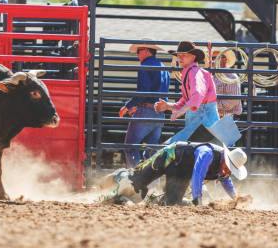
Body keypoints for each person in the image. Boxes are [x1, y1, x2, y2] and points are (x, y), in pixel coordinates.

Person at [102, 141, 248, 206]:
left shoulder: (222, 168)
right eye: (229, 168)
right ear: (226, 160)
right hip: (169, 156)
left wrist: (235, 198)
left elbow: (225, 180)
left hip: (181, 171)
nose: (228, 172)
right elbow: (198, 174)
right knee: (136, 182)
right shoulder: (207, 153)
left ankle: (150, 199)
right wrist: (198, 200)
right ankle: (118, 176)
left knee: (171, 202)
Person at [155, 41, 219, 144]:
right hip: (204, 123)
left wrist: (181, 111)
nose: (180, 58)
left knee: (169, 148)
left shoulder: (194, 72)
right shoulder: (190, 72)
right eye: (178, 55)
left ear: (193, 57)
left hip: (203, 122)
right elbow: (187, 101)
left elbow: (197, 95)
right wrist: (169, 106)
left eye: (184, 55)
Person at [119, 39, 170, 167]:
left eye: (139, 51)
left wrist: (128, 105)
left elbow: (144, 91)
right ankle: (152, 183)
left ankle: (135, 179)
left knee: (130, 147)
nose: (137, 55)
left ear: (146, 51)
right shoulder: (163, 66)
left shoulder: (145, 65)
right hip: (159, 113)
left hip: (146, 111)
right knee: (151, 151)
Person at [211, 49, 242, 118]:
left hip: (227, 117)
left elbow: (232, 101)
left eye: (216, 58)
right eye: (212, 58)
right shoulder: (212, 76)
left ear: (225, 59)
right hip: (215, 116)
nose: (213, 61)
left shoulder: (231, 77)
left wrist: (211, 105)